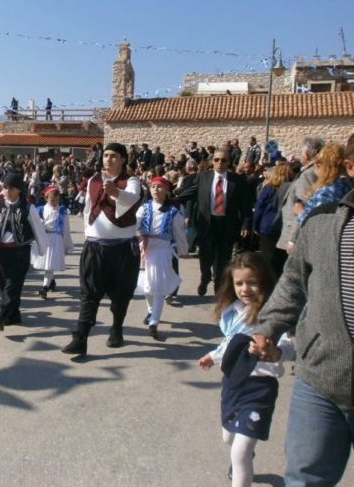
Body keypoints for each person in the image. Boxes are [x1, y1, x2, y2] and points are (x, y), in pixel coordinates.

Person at [251, 134, 354, 485]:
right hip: (321, 379)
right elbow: (293, 284)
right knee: (305, 479)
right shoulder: (323, 222)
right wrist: (267, 328)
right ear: (351, 168)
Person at [198, 252, 293, 487]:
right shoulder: (232, 311)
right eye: (239, 283)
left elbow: (290, 345)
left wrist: (276, 353)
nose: (245, 289)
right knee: (228, 438)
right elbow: (230, 343)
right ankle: (244, 457)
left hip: (261, 389)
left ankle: (242, 459)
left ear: (264, 282)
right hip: (233, 384)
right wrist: (213, 355)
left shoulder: (273, 314)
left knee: (239, 451)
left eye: (252, 282)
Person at [62, 143, 142, 356]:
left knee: (121, 294)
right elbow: (90, 206)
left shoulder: (131, 181)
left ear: (123, 159)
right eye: (106, 155)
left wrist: (116, 192)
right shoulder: (93, 180)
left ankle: (116, 327)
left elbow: (132, 199)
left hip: (122, 249)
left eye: (114, 156)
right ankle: (80, 338)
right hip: (95, 247)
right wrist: (88, 230)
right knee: (88, 294)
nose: (108, 159)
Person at [175, 147, 252, 297]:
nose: (220, 163)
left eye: (224, 160)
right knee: (205, 259)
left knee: (223, 261)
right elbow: (190, 193)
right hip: (206, 226)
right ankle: (205, 278)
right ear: (212, 161)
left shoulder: (237, 180)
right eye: (216, 160)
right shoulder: (203, 177)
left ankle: (219, 287)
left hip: (227, 226)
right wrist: (171, 201)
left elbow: (245, 205)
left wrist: (246, 223)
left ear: (229, 162)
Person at [0, 172, 46, 331]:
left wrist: (42, 249)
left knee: (12, 284)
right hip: (2, 251)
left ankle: (2, 315)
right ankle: (14, 314)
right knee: (5, 283)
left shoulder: (28, 208)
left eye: (11, 188)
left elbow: (38, 229)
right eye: (5, 187)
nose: (7, 191)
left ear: (19, 189)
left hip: (20, 252)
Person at [136, 177, 186, 340]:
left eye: (160, 187)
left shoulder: (173, 212)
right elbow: (133, 225)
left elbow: (179, 233)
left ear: (166, 190)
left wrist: (183, 249)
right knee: (146, 286)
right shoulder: (143, 208)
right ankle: (151, 311)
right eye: (153, 187)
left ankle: (154, 323)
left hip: (162, 251)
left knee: (158, 289)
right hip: (145, 250)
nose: (156, 190)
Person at [276, 136, 324, 254]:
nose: (300, 156)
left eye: (301, 153)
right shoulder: (313, 171)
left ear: (306, 155)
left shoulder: (308, 174)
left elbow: (303, 206)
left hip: (297, 235)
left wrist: (293, 239)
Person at [252, 162, 294, 277]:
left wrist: (255, 226)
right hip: (284, 226)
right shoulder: (292, 188)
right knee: (281, 259)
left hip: (268, 226)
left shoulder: (269, 187)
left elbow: (259, 207)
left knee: (268, 259)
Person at [296, 141, 352, 227]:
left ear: (321, 165)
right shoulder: (347, 185)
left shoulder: (326, 192)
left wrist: (300, 212)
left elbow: (317, 224)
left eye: (317, 164)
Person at [32, 185, 73, 300]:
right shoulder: (41, 209)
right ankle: (52, 281)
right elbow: (36, 225)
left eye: (56, 200)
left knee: (49, 266)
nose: (54, 202)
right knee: (48, 264)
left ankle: (44, 288)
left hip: (55, 239)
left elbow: (66, 228)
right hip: (44, 239)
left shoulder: (61, 211)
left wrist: (67, 244)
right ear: (46, 198)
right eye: (52, 200)